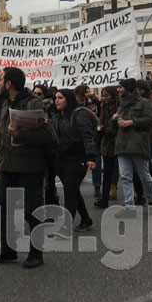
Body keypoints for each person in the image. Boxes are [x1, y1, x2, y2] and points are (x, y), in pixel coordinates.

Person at [0, 66, 55, 269]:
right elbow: (3, 134)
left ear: (9, 83)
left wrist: (21, 134)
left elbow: (48, 134)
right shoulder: (6, 103)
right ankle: (7, 249)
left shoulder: (33, 103)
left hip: (29, 167)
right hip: (8, 165)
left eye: (1, 80)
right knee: (2, 207)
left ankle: (36, 253)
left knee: (32, 210)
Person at [51, 89, 98, 234]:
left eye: (60, 98)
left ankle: (65, 227)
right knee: (73, 190)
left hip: (77, 158)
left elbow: (87, 136)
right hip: (61, 160)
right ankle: (86, 219)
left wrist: (91, 157)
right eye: (55, 98)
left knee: (69, 192)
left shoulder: (79, 114)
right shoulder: (56, 117)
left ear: (68, 99)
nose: (56, 101)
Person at [113, 78, 152, 208]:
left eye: (120, 87)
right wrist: (114, 120)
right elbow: (117, 127)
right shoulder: (121, 105)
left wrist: (132, 122)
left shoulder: (144, 103)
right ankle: (129, 204)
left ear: (128, 88)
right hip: (122, 145)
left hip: (137, 144)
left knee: (144, 175)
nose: (118, 90)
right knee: (125, 176)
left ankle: (151, 198)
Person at [33, 84, 59, 205]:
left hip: (49, 149)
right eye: (34, 93)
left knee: (49, 181)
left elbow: (52, 128)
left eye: (39, 94)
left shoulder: (51, 107)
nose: (36, 96)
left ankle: (51, 204)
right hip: (37, 149)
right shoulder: (31, 107)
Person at [74, 84, 101, 197]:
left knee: (96, 162)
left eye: (89, 91)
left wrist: (94, 98)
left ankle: (97, 186)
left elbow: (100, 108)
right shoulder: (76, 105)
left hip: (94, 135)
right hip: (80, 137)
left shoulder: (93, 102)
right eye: (86, 92)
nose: (88, 94)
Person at [94, 86, 119, 209]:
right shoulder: (104, 107)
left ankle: (138, 194)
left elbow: (116, 128)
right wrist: (100, 129)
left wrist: (105, 130)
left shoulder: (119, 108)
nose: (105, 98)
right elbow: (101, 122)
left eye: (107, 95)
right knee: (107, 171)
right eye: (103, 96)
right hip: (107, 143)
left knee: (127, 171)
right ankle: (104, 198)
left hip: (118, 143)